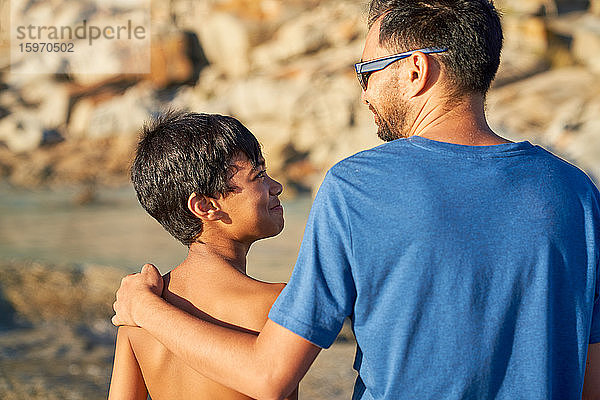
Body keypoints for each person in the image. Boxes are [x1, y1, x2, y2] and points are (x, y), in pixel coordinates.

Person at [112, 1, 600, 399]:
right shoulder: (578, 193)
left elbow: (268, 376)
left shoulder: (360, 187)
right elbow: (590, 378)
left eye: (367, 68)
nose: (363, 87)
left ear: (415, 71)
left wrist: (146, 308)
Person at [107, 111, 298, 400]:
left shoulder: (137, 309)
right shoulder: (272, 303)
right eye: (258, 176)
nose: (276, 186)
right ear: (205, 206)